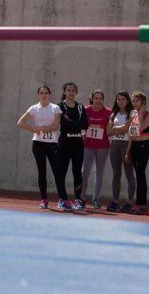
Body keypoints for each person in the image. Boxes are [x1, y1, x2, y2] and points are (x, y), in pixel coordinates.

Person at [17, 84, 68, 210]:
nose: (44, 95)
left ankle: (63, 199)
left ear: (49, 94)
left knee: (58, 171)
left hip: (52, 143)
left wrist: (42, 128)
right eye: (41, 93)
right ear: (38, 95)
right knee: (42, 171)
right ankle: (44, 199)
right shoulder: (34, 108)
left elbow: (56, 126)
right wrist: (33, 129)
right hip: (38, 143)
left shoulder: (55, 108)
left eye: (46, 93)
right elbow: (20, 122)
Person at [57, 82, 88, 210]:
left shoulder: (81, 107)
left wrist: (73, 124)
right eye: (68, 90)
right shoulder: (59, 107)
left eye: (73, 90)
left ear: (76, 92)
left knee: (77, 172)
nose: (71, 92)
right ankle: (62, 199)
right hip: (64, 142)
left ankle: (78, 200)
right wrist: (75, 124)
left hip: (78, 144)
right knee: (61, 172)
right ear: (64, 92)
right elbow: (63, 123)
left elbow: (84, 124)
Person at [80, 89, 111, 209]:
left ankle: (96, 199)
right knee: (85, 172)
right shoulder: (85, 110)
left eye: (100, 98)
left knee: (99, 172)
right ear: (92, 99)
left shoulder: (108, 112)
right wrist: (82, 132)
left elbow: (110, 128)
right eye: (96, 98)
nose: (98, 101)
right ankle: (82, 198)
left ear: (103, 100)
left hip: (103, 146)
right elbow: (80, 124)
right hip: (88, 145)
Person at [107, 91, 136, 213]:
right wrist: (122, 128)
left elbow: (128, 129)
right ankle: (115, 201)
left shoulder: (132, 113)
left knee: (129, 174)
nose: (120, 101)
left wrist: (116, 129)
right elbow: (108, 132)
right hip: (114, 145)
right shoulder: (113, 114)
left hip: (126, 144)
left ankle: (130, 202)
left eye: (123, 99)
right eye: (118, 99)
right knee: (116, 174)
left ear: (128, 101)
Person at [125, 91, 149, 215]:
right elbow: (131, 134)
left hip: (144, 146)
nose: (134, 103)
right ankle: (141, 204)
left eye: (137, 101)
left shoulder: (148, 115)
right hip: (135, 146)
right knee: (139, 175)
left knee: (140, 174)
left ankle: (141, 204)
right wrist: (128, 151)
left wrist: (140, 113)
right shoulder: (133, 114)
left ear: (142, 102)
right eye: (133, 101)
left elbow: (142, 128)